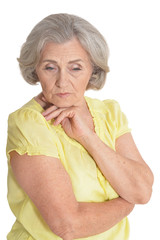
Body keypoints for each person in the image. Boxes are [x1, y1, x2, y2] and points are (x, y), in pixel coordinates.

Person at [6, 13, 154, 240]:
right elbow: (68, 226)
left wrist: (87, 137)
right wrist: (126, 203)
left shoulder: (109, 113)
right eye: (50, 67)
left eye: (75, 68)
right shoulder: (29, 123)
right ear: (35, 69)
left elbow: (142, 190)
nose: (62, 81)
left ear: (92, 70)